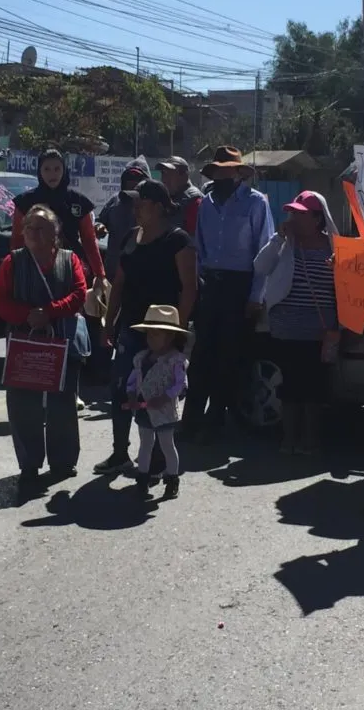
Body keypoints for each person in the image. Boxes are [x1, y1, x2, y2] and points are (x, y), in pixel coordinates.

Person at [95, 179, 198, 475]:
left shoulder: (179, 241)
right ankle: (120, 453)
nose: (136, 209)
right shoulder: (130, 237)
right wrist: (109, 323)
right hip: (131, 327)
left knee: (157, 395)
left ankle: (157, 457)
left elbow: (188, 289)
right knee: (122, 389)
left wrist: (176, 334)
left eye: (141, 203)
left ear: (158, 206)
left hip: (163, 333)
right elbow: (119, 284)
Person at [0, 204, 88, 495]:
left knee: (63, 403)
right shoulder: (13, 261)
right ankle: (29, 464)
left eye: (42, 227)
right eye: (29, 227)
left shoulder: (69, 260)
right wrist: (27, 316)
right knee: (23, 405)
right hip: (25, 342)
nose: (34, 232)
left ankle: (63, 462)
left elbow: (79, 294)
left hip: (62, 341)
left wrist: (50, 311)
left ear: (55, 232)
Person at [181, 145, 274, 443]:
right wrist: (198, 285)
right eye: (217, 170)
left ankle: (216, 420)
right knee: (201, 355)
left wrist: (255, 296)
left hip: (240, 284)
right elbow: (200, 247)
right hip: (212, 283)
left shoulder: (256, 203)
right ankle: (191, 419)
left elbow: (264, 251)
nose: (221, 175)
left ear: (237, 173)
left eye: (226, 170)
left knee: (228, 357)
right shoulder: (207, 203)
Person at [253, 190, 338, 455]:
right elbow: (260, 266)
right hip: (287, 329)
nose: (293, 219)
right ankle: (288, 439)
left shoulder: (335, 248)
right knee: (289, 388)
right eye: (292, 214)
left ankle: (310, 440)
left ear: (317, 219)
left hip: (319, 331)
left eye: (301, 215)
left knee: (314, 390)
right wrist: (278, 238)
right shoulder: (284, 243)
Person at [10, 149, 107, 290]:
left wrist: (100, 274)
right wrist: (16, 269)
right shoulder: (25, 202)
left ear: (64, 170)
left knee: (72, 308)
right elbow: (17, 240)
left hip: (72, 267)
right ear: (39, 171)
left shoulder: (78, 201)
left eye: (57, 169)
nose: (52, 174)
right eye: (47, 169)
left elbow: (89, 240)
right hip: (35, 267)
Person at [125, 305, 189, 500]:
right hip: (145, 409)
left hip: (165, 410)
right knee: (145, 444)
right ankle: (142, 479)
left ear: (170, 337)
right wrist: (131, 396)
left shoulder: (176, 360)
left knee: (167, 444)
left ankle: (172, 480)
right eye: (149, 335)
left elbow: (181, 384)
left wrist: (166, 397)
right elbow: (133, 379)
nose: (151, 339)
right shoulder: (142, 358)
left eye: (156, 335)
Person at [94, 157, 149, 281]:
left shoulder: (152, 204)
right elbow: (100, 221)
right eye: (129, 178)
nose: (133, 182)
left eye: (137, 179)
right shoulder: (115, 200)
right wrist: (98, 227)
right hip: (113, 271)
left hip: (141, 273)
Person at [158, 156, 202, 235]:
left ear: (184, 176)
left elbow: (194, 241)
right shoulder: (168, 197)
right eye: (163, 173)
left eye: (169, 174)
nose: (164, 179)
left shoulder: (195, 202)